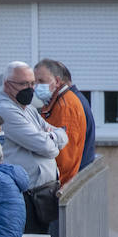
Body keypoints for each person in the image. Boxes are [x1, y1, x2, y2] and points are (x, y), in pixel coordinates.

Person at [0, 61, 66, 190]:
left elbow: (63, 134)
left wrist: (49, 136)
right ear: (7, 85)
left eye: (32, 83)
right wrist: (50, 139)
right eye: (23, 83)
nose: (30, 88)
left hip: (42, 189)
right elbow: (46, 147)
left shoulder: (28, 108)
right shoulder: (4, 111)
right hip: (26, 192)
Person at [34, 58, 88, 187]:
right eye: (34, 82)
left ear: (57, 81)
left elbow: (64, 158)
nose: (36, 87)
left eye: (41, 81)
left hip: (58, 185)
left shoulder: (65, 107)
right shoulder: (54, 102)